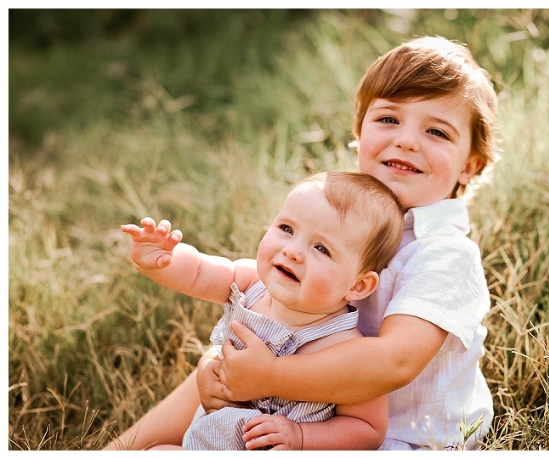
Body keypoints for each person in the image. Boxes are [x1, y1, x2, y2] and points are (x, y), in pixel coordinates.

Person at [105, 35, 500, 451]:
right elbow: (237, 280)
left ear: (468, 165)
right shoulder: (331, 211)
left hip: (399, 437)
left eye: (436, 131)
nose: (406, 140)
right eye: (388, 119)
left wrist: (269, 375)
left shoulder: (445, 253)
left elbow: (394, 362)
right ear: (359, 131)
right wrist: (218, 367)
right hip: (287, 408)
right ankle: (119, 449)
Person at [112, 172, 404, 450]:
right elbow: (199, 270)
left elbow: (367, 428)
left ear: (358, 285)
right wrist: (165, 261)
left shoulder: (345, 348)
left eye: (322, 248)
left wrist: (301, 436)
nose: (292, 251)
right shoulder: (251, 282)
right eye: (286, 229)